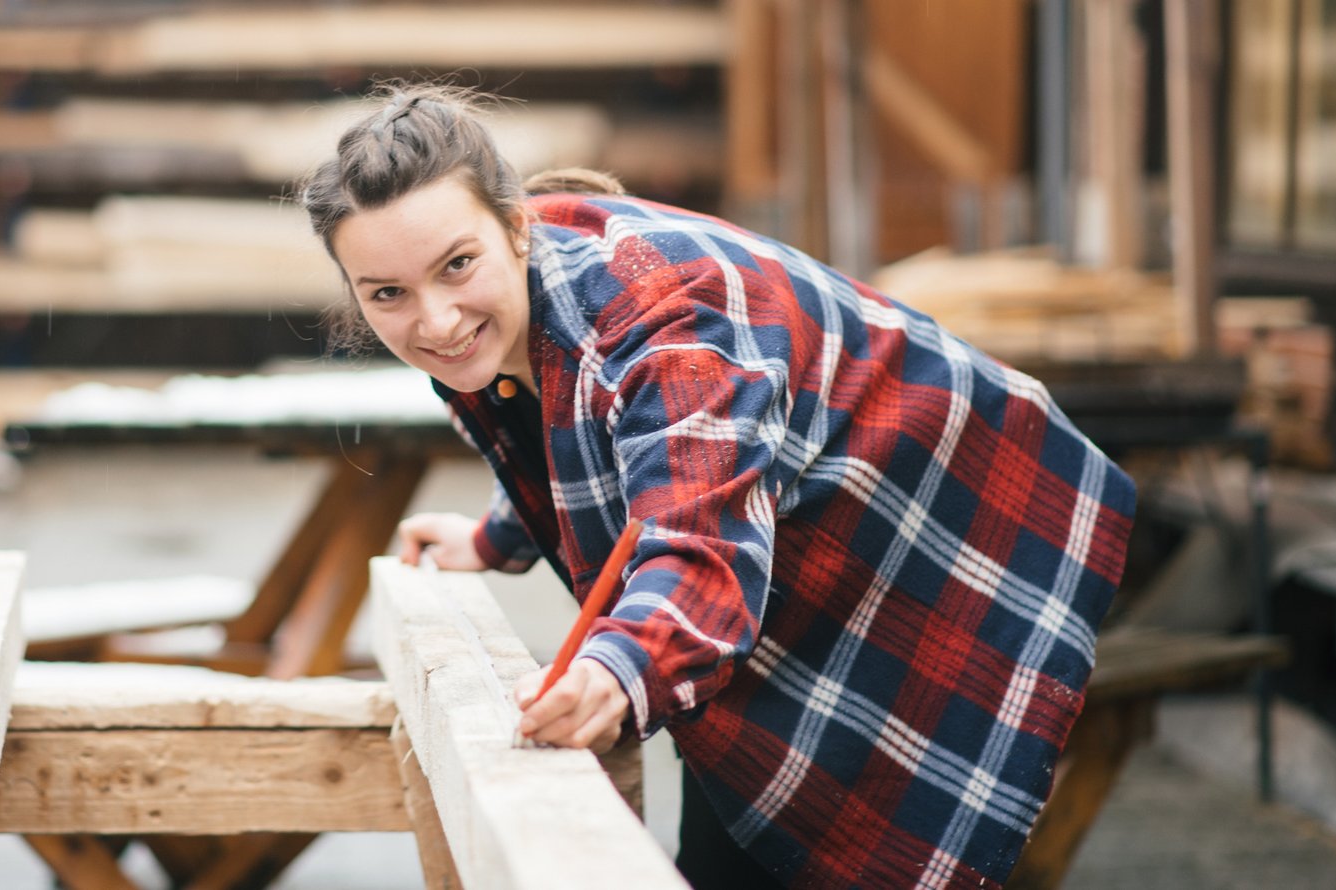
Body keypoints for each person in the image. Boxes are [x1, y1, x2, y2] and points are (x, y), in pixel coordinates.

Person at [298, 84, 1135, 889]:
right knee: (733, 807)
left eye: (456, 267)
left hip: (961, 520)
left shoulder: (668, 325)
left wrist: (620, 668)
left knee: (861, 815)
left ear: (516, 228)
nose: (435, 320)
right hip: (806, 530)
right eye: (388, 295)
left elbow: (698, 544)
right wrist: (497, 536)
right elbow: (578, 430)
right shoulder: (509, 296)